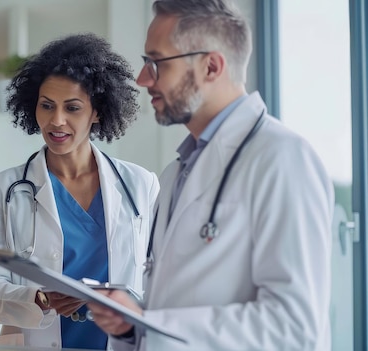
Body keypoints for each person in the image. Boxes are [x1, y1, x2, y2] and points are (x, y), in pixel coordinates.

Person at [87, 1, 334, 350]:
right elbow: (177, 304)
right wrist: (133, 326)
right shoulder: (176, 172)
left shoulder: (283, 159)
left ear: (211, 66)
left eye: (156, 63)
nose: (143, 80)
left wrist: (152, 323)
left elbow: (294, 328)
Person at [0, 33, 160, 350]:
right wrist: (39, 298)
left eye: (72, 108)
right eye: (47, 106)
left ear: (96, 111)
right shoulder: (4, 189)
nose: (56, 121)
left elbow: (161, 283)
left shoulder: (141, 185)